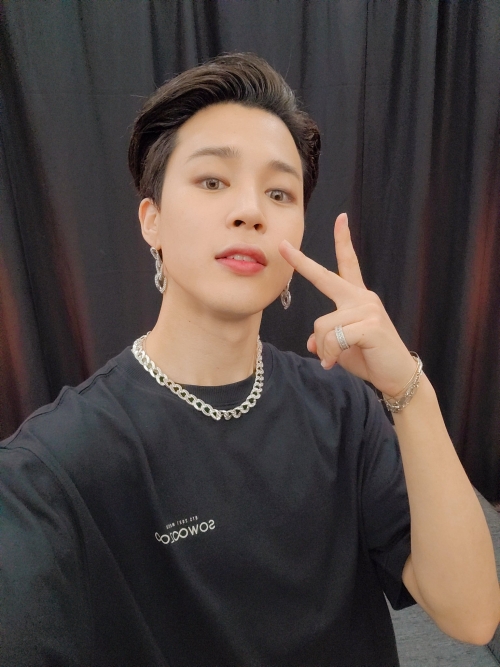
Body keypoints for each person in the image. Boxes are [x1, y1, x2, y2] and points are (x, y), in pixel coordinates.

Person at [0, 53, 498, 667]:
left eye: (279, 192)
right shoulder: (56, 466)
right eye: (213, 181)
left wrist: (409, 391)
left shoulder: (343, 407)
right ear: (152, 220)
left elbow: (471, 615)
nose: (251, 210)